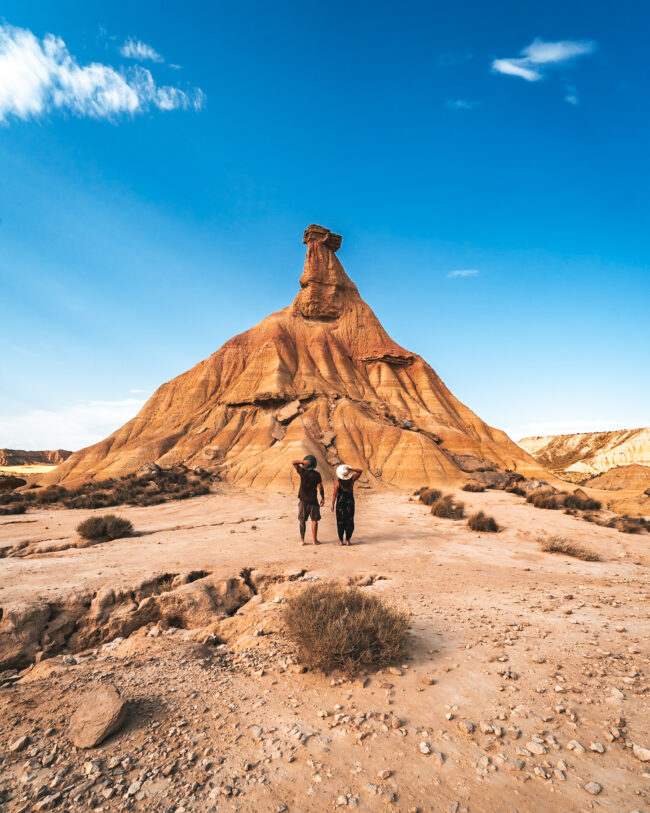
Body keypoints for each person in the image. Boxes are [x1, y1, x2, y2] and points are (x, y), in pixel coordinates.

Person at [292, 455, 325, 545]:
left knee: (302, 520)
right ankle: (314, 540)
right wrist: (322, 498)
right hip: (313, 500)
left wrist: (302, 462)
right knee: (314, 520)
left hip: (303, 500)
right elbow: (320, 487)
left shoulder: (302, 472)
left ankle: (302, 540)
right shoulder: (317, 474)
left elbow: (293, 462)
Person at [331, 463, 362, 545]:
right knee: (349, 521)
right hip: (350, 503)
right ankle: (348, 540)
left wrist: (332, 505)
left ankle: (341, 541)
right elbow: (360, 471)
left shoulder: (337, 483)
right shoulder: (352, 481)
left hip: (340, 504)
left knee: (340, 521)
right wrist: (351, 469)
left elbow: (334, 494)